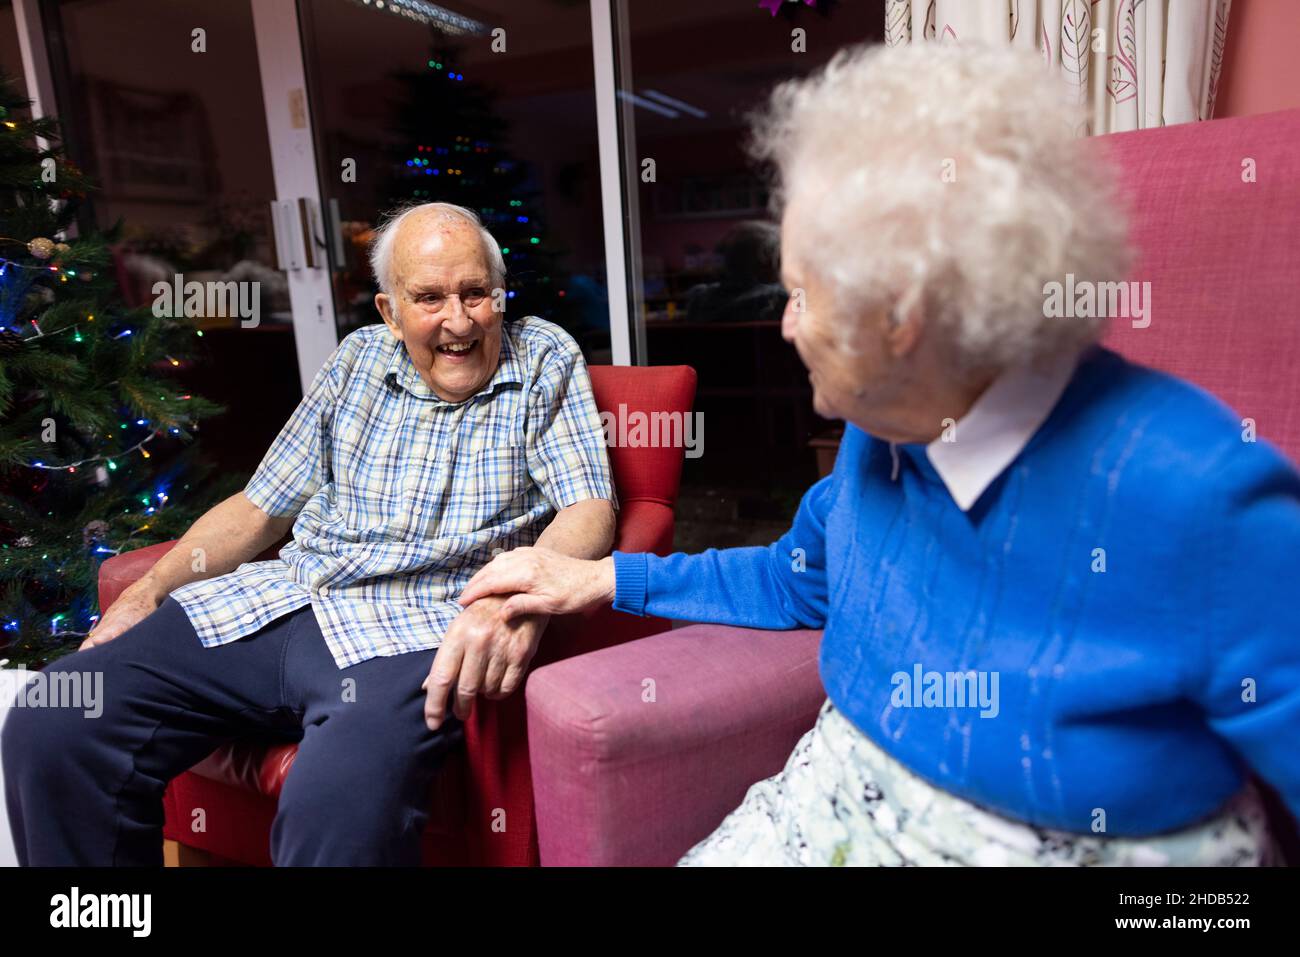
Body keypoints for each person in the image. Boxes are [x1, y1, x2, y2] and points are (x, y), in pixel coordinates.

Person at [457, 45, 1300, 866]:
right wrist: (604, 579)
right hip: (842, 798)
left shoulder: (1203, 497)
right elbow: (801, 578)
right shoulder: (888, 423)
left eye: (799, 293)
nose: (785, 324)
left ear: (901, 319)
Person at [2, 202, 616, 865]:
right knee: (54, 720)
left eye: (476, 294)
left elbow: (589, 506)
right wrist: (148, 589)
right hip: (286, 600)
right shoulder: (356, 360)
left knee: (341, 800)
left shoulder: (545, 355)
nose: (459, 321)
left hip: (415, 630)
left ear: (500, 295)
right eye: (429, 298)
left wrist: (514, 595)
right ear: (389, 310)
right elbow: (260, 508)